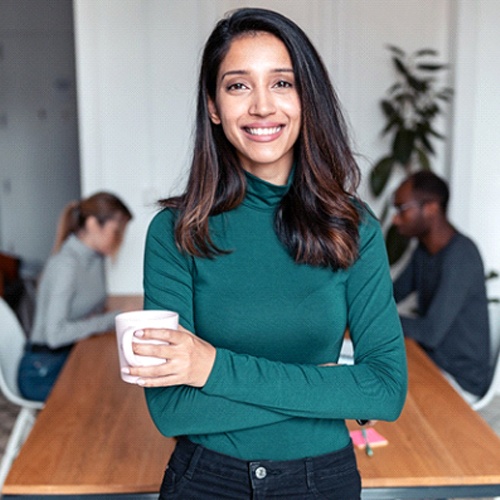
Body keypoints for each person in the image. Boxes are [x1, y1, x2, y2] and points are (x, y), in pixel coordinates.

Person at [129, 8, 407, 499]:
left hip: (322, 481)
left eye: (282, 83)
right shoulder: (175, 232)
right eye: (238, 86)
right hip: (205, 481)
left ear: (306, 98)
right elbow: (171, 409)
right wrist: (328, 388)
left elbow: (385, 391)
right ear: (214, 105)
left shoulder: (353, 227)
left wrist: (209, 368)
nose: (262, 106)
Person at [18, 192, 133, 402]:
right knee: (108, 398)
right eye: (116, 231)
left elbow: (94, 305)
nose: (119, 240)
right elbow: (55, 335)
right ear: (92, 224)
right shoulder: (66, 265)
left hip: (68, 354)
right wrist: (110, 320)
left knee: (118, 382)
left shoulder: (95, 258)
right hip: (42, 369)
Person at [392, 171, 490, 404]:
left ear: (431, 208)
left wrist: (375, 319)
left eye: (402, 209)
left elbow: (430, 333)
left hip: (459, 379)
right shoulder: (424, 252)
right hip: (431, 362)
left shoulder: (462, 256)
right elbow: (390, 295)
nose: (395, 219)